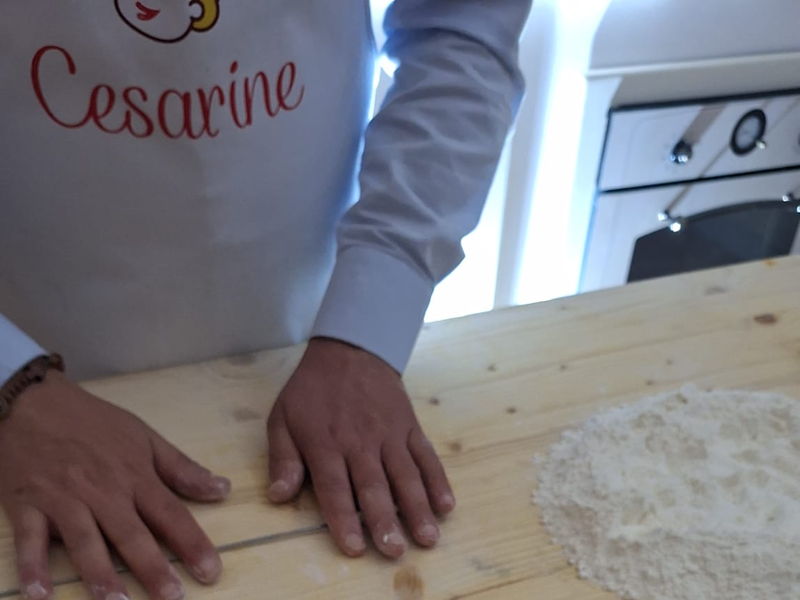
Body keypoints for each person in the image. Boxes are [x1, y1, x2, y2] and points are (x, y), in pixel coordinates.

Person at [0, 1, 531, 599]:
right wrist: (12, 385)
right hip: (29, 331)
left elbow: (460, 30)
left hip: (310, 325)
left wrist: (370, 322)